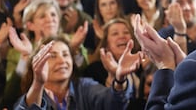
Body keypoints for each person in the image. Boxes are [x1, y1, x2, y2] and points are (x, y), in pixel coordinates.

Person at [13, 34, 141, 110]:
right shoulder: (29, 97)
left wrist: (119, 79)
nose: (62, 61)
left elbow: (113, 103)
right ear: (38, 62)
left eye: (65, 54)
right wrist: (38, 82)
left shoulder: (84, 87)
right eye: (52, 56)